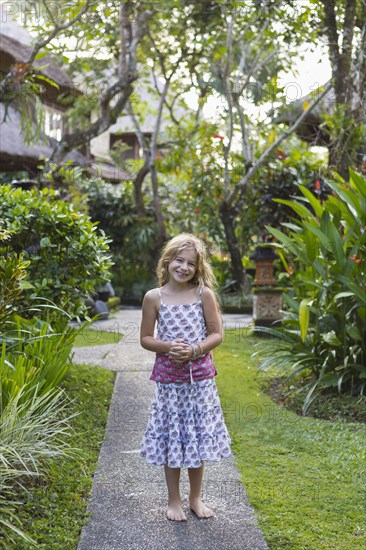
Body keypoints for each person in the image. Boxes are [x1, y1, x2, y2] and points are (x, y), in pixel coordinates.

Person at [139, 233, 232, 521]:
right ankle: (174, 500)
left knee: (196, 439)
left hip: (200, 383)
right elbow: (145, 338)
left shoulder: (203, 294)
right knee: (172, 439)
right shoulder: (154, 298)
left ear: (198, 267)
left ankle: (195, 498)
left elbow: (217, 333)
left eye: (191, 263)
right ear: (167, 261)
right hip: (170, 383)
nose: (184, 267)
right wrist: (167, 347)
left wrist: (195, 350)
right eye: (179, 260)